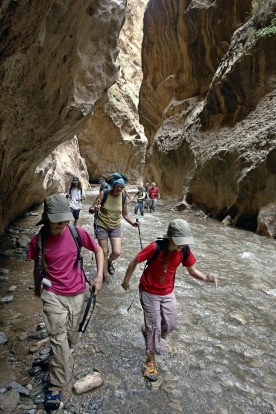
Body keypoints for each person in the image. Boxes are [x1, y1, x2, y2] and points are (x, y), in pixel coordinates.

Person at [27, 194, 104, 411]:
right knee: (58, 339)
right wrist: (36, 288)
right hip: (52, 294)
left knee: (71, 339)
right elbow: (37, 266)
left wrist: (99, 276)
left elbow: (98, 250)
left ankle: (59, 360)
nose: (63, 224)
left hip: (78, 293)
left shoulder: (76, 233)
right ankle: (56, 383)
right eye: (58, 220)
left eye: (66, 219)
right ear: (47, 218)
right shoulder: (38, 241)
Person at [121, 219, 217, 381]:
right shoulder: (155, 247)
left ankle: (151, 334)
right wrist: (126, 281)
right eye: (179, 242)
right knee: (154, 327)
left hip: (167, 292)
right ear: (170, 237)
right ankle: (150, 361)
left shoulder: (184, 251)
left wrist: (207, 277)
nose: (182, 245)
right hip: (149, 291)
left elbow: (192, 271)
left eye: (184, 242)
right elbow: (134, 261)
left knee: (170, 324)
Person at [89, 174, 139, 280]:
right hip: (101, 225)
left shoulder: (123, 197)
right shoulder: (104, 193)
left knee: (117, 252)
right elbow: (91, 209)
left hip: (115, 226)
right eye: (117, 186)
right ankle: (104, 278)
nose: (119, 189)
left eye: (121, 187)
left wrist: (132, 223)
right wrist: (95, 209)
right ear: (113, 185)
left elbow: (125, 214)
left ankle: (109, 262)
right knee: (104, 252)